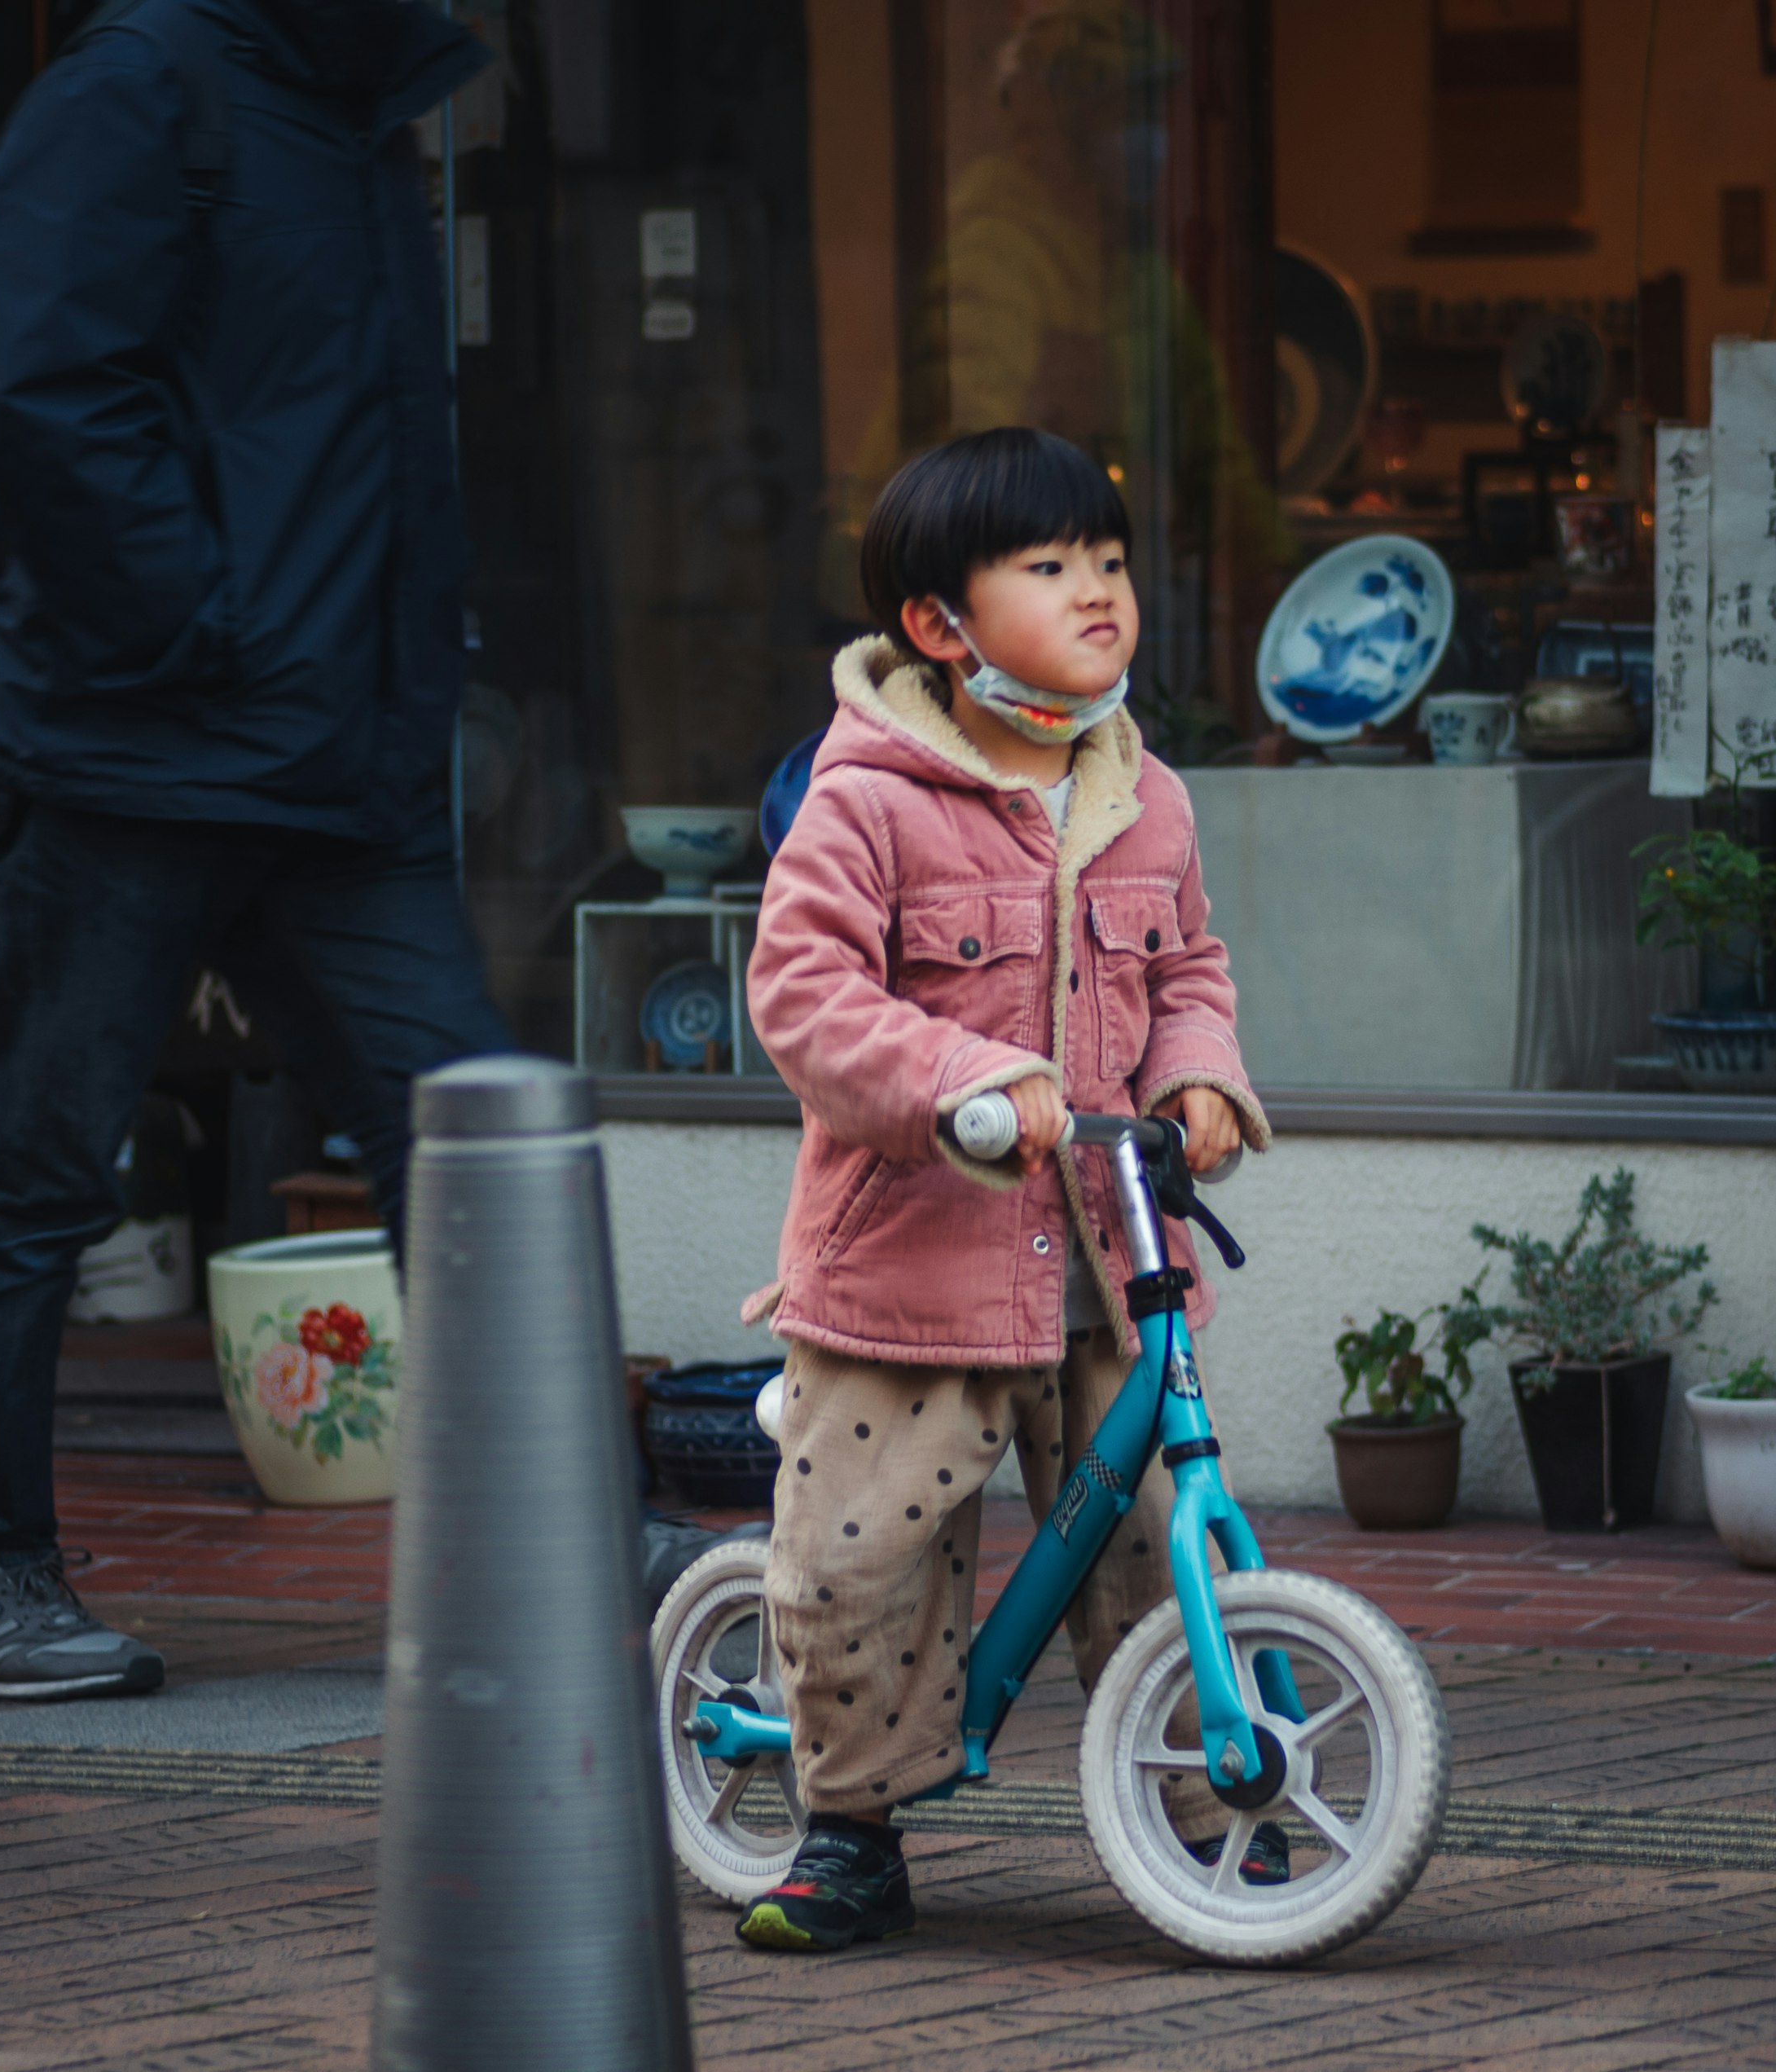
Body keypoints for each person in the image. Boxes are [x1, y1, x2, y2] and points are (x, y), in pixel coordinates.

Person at [0, 0, 512, 1700]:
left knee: (469, 1143)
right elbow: (47, 388)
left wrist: (391, 689)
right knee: (38, 1163)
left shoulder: (368, 118)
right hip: (133, 751)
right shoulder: (139, 88)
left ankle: (541, 1533)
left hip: (336, 769)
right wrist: (200, 630)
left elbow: (373, 450)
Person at [737, 427, 1275, 1952]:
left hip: (1112, 1258)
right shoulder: (873, 799)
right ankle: (845, 1829)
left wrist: (1198, 1074)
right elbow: (804, 992)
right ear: (938, 624)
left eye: (1108, 559)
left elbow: (1186, 967)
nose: (1099, 590)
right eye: (1049, 567)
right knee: (860, 1564)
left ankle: (1191, 1792)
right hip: (916, 1266)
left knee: (1155, 1539)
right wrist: (955, 1086)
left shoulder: (1143, 794)